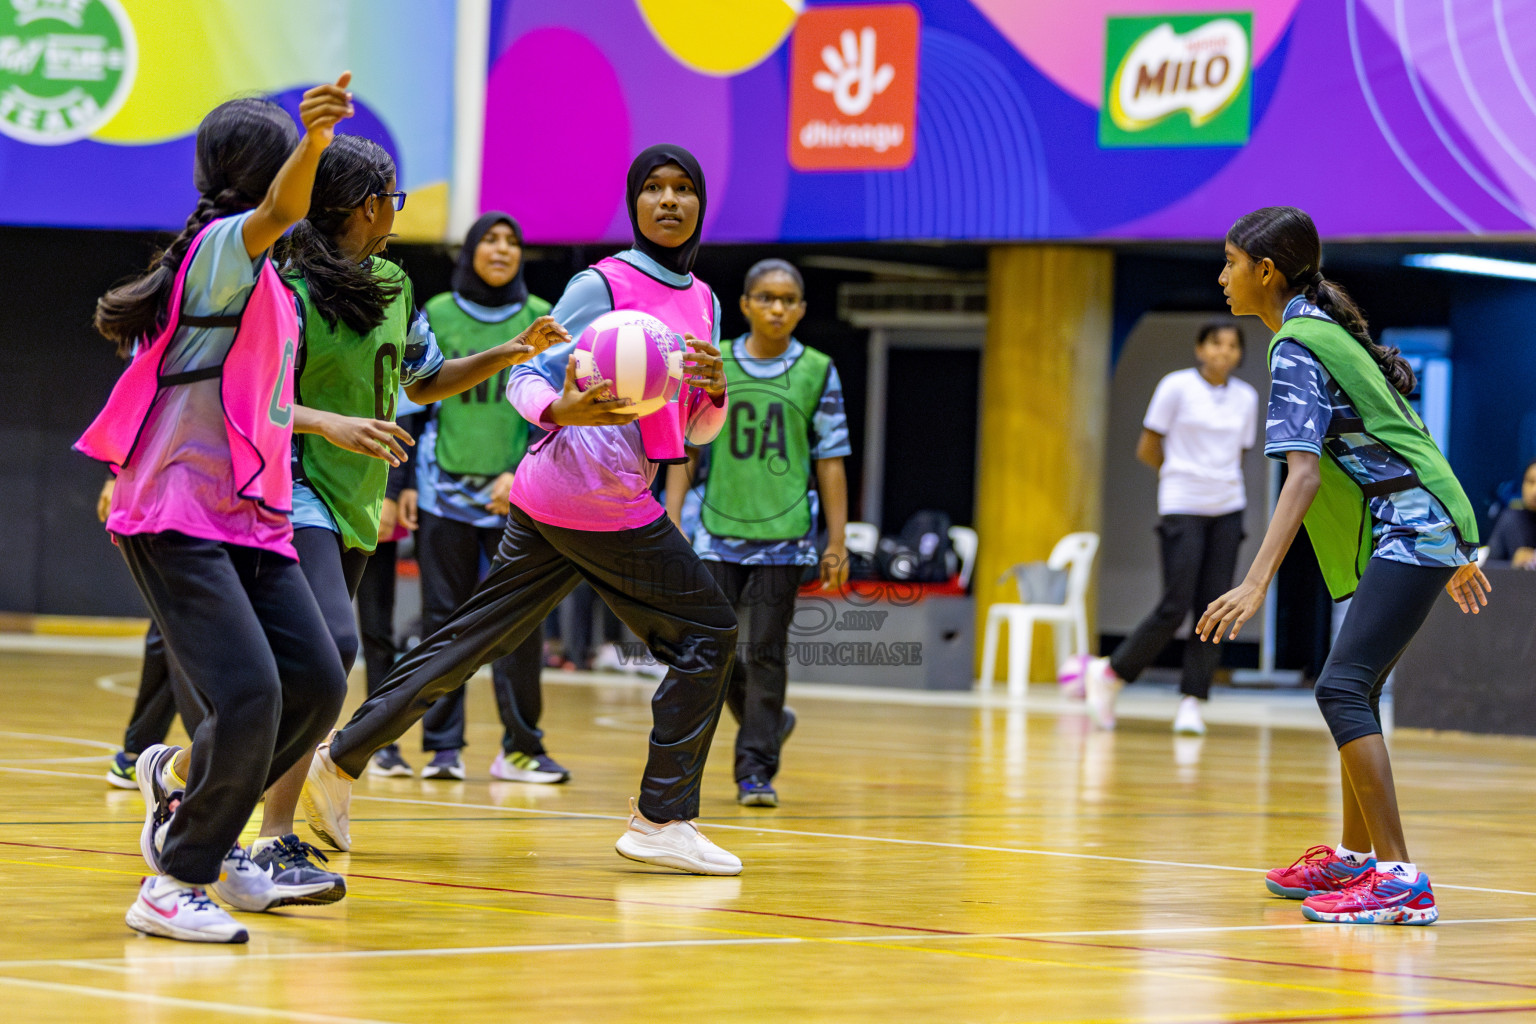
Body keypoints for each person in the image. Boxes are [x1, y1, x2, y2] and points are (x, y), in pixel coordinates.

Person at [301, 144, 744, 876]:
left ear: (700, 203)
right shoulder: (600, 284)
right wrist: (563, 409)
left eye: (684, 188)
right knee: (708, 632)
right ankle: (661, 817)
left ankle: (338, 761)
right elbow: (526, 380)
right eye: (654, 188)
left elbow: (692, 430)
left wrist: (718, 392)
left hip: (559, 500)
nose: (669, 201)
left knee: (464, 643)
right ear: (634, 202)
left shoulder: (705, 301)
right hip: (590, 492)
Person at [76, 80, 357, 943]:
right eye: (292, 163)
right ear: (266, 174)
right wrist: (312, 144)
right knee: (248, 693)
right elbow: (280, 208)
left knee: (316, 681)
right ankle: (177, 879)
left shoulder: (263, 272)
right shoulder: (223, 249)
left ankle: (188, 801)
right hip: (177, 513)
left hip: (252, 515)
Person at [248, 136, 565, 891]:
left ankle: (192, 774)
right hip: (292, 487)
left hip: (356, 496)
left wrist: (509, 351)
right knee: (329, 649)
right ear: (366, 206)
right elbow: (253, 397)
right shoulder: (284, 284)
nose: (397, 210)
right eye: (393, 197)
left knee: (320, 666)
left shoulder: (392, 281)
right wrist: (329, 423)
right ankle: (272, 834)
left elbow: (422, 381)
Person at [1197, 206, 1489, 926]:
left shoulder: (1297, 343)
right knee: (1355, 684)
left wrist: (1256, 578)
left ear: (1266, 272)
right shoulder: (1321, 332)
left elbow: (1302, 477)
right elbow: (1401, 432)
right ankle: (1358, 860)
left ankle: (1399, 878)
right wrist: (1450, 540)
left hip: (1414, 526)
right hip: (1421, 524)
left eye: (1232, 263)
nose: (1223, 276)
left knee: (1343, 687)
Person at [665, 258, 849, 807]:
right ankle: (756, 731)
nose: (777, 307)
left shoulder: (818, 369)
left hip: (786, 538)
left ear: (801, 310)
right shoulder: (712, 362)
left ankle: (755, 769)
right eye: (765, 297)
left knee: (767, 652)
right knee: (711, 650)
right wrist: (671, 519)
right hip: (714, 532)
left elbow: (832, 460)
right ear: (744, 305)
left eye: (788, 299)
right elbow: (687, 449)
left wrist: (835, 542)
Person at [408, 212, 567, 784]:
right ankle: (443, 747)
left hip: (522, 493)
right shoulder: (438, 313)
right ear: (470, 250)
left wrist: (520, 468)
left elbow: (557, 406)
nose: (502, 249)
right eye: (490, 240)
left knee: (520, 623)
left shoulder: (541, 317)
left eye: (512, 241)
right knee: (442, 621)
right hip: (442, 494)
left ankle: (522, 747)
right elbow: (412, 400)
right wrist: (402, 486)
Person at [1083, 321, 1258, 734]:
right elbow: (1148, 446)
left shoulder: (1246, 397)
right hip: (1181, 504)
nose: (1224, 352)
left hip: (1229, 508)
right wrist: (1180, 474)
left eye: (1233, 346)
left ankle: (1192, 701)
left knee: (1215, 609)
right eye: (1216, 343)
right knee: (1175, 605)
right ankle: (1111, 674)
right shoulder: (1175, 386)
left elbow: (1241, 450)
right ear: (1200, 348)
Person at [96, 476, 179, 789]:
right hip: (186, 501)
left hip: (248, 501)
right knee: (176, 620)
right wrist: (115, 474)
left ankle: (137, 752)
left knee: (175, 624)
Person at [1484, 458, 1536, 567]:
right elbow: (1489, 567)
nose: (1534, 491)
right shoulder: (1510, 520)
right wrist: (1513, 563)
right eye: (1530, 482)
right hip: (1517, 583)